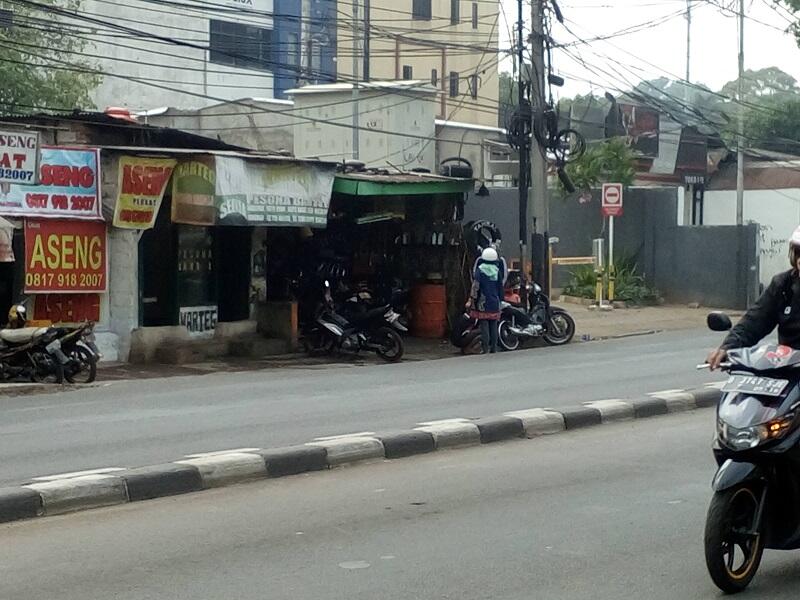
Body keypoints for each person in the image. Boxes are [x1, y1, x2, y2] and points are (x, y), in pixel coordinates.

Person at [707, 226, 800, 369]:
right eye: (799, 252)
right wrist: (728, 348)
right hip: (789, 373)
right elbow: (754, 321)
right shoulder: (783, 286)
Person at [467, 246, 504, 354]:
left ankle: (485, 348)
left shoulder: (480, 271)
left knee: (484, 326)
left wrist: (471, 299)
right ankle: (494, 348)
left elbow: (475, 287)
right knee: (493, 325)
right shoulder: (497, 272)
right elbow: (500, 288)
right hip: (494, 302)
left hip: (483, 302)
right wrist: (500, 301)